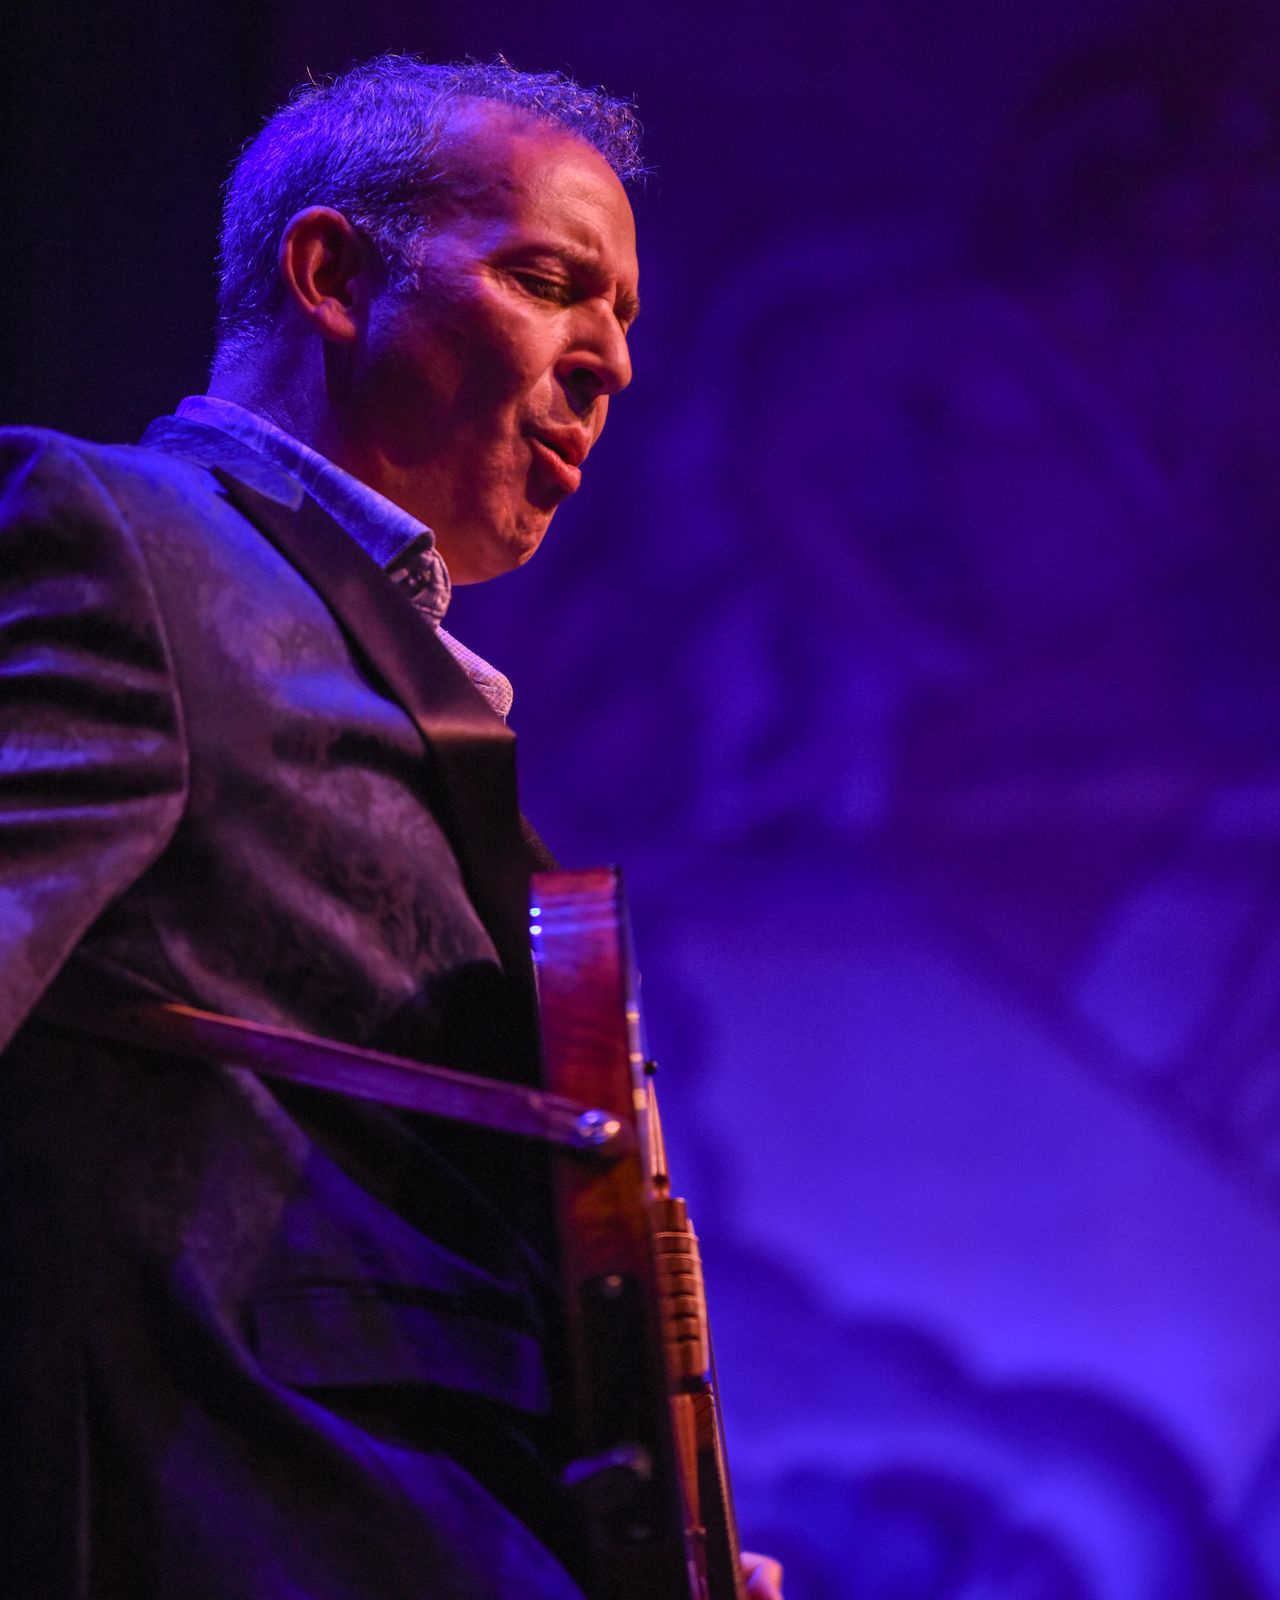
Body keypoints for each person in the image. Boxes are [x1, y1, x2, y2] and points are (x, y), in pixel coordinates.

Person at [0, 54, 781, 1600]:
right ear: (333, 276)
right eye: (550, 284)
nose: (610, 365)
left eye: (625, 318)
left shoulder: (385, 664)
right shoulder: (127, 545)